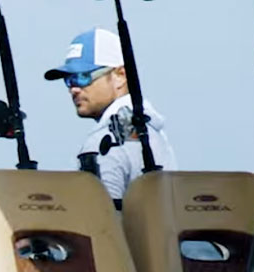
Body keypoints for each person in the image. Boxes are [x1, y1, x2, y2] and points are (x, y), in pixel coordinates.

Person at [43, 26, 176, 202]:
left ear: (120, 75)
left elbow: (100, 219)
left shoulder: (103, 141)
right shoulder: (156, 133)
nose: (74, 89)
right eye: (69, 80)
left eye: (83, 76)